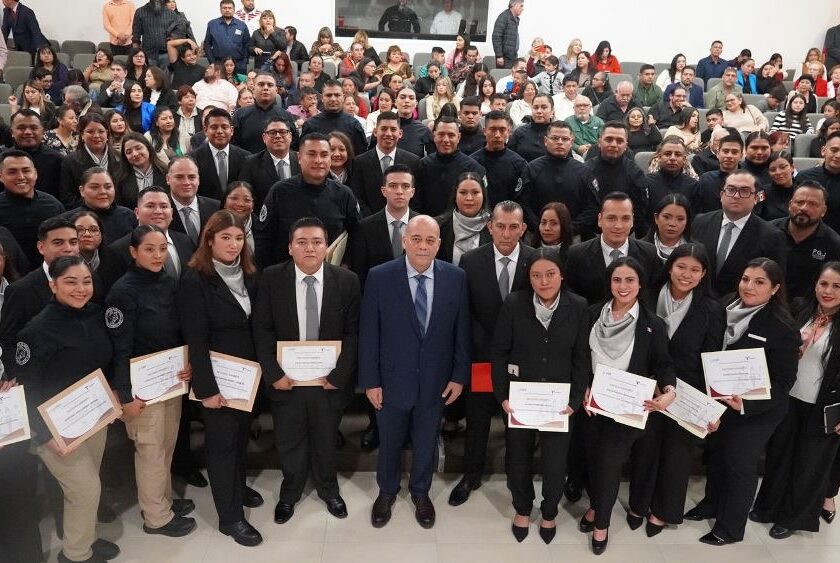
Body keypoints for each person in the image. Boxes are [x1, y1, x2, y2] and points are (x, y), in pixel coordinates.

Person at [360, 214, 469, 529]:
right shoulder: (379, 277)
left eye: (430, 240)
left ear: (439, 243)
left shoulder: (456, 278)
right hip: (391, 379)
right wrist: (370, 381)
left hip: (436, 381)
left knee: (426, 441)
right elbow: (369, 332)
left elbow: (461, 332)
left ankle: (421, 492)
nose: (423, 246)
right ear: (404, 241)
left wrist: (459, 376)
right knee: (390, 441)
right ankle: (387, 491)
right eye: (416, 239)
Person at [684, 258, 800, 545]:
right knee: (716, 454)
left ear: (775, 289)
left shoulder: (782, 327)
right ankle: (711, 504)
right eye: (746, 279)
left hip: (759, 410)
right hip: (722, 401)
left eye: (759, 282)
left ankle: (730, 528)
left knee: (739, 463)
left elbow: (784, 381)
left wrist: (748, 404)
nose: (749, 286)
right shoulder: (724, 305)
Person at [253, 215, 360, 524]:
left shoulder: (347, 281)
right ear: (290, 247)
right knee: (290, 440)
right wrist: (274, 374)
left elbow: (354, 333)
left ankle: (329, 489)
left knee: (326, 438)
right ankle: (290, 492)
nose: (310, 248)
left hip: (329, 381)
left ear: (327, 247)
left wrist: (339, 375)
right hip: (286, 381)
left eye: (316, 242)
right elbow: (262, 329)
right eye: (302, 242)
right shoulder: (272, 278)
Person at [12, 255, 119, 563]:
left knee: (88, 487)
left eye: (86, 281)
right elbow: (26, 390)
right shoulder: (35, 331)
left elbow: (105, 363)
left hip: (92, 417)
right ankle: (75, 555)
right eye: (70, 282)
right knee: (85, 490)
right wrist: (44, 436)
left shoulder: (96, 314)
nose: (80, 289)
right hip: (53, 429)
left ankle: (86, 540)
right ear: (53, 285)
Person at [579, 255, 676, 555]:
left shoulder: (653, 324)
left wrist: (669, 390)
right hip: (593, 405)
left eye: (630, 280)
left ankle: (601, 524)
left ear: (640, 284)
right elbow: (579, 356)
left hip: (628, 408)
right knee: (593, 460)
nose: (623, 286)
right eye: (617, 279)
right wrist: (583, 387)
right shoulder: (591, 314)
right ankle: (596, 505)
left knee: (609, 463)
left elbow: (663, 363)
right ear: (609, 283)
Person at [176, 210, 262, 546]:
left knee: (239, 440)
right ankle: (230, 518)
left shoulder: (250, 273)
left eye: (239, 238)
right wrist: (206, 390)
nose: (233, 244)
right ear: (209, 240)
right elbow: (195, 339)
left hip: (247, 377)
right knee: (222, 447)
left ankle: (237, 490)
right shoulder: (195, 279)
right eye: (225, 237)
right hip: (217, 379)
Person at [106, 224, 197, 538]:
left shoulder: (168, 281)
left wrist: (187, 360)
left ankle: (163, 500)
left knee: (166, 447)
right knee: (150, 452)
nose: (158, 255)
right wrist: (125, 396)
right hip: (141, 390)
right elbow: (119, 348)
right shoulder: (122, 291)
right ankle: (156, 518)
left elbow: (176, 330)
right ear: (133, 252)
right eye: (149, 249)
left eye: (162, 249)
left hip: (169, 382)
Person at [448, 201, 535, 508]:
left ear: (523, 229)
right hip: (482, 357)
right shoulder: (470, 261)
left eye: (513, 227)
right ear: (490, 227)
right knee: (477, 421)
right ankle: (470, 475)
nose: (506, 233)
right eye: (500, 226)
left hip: (521, 359)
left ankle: (517, 479)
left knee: (516, 424)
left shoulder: (536, 259)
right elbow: (463, 313)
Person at [751, 262, 840, 539]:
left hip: (823, 407)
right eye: (823, 284)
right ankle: (767, 506)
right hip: (788, 398)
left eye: (837, 286)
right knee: (779, 455)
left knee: (809, 465)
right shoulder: (801, 309)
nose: (828, 291)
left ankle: (793, 518)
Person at [254, 132, 359, 267]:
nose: (318, 160)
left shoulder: (344, 194)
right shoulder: (279, 192)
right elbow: (263, 239)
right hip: (286, 272)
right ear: (299, 157)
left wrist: (345, 265)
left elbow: (357, 235)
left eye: (324, 155)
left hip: (331, 273)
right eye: (312, 154)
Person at [691, 170, 788, 297]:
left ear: (755, 198)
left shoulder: (772, 236)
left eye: (744, 191)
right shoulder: (700, 222)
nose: (736, 196)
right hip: (698, 299)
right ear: (722, 195)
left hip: (741, 303)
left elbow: (774, 282)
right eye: (731, 190)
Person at [564, 192, 659, 303]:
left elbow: (652, 294)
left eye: (625, 218)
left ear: (632, 221)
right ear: (600, 219)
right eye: (611, 218)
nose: (618, 226)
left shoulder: (649, 253)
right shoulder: (577, 255)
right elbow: (571, 297)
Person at [517, 120, 598, 237]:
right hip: (538, 236)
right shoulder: (532, 168)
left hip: (574, 237)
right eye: (555, 138)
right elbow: (522, 203)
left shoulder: (583, 171)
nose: (560, 142)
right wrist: (541, 227)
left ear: (571, 142)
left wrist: (570, 229)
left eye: (565, 139)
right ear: (546, 141)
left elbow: (592, 207)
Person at [770, 182, 840, 303]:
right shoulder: (767, 232)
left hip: (808, 310)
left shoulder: (834, 244)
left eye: (813, 204)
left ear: (823, 211)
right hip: (764, 304)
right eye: (799, 202)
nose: (804, 208)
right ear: (790, 205)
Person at [0, 149, 65, 269]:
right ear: (1, 176)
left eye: (26, 171)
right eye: (12, 172)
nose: (20, 177)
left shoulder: (53, 205)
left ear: (35, 173)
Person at [585, 122, 650, 234]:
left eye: (619, 141)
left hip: (624, 233)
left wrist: (623, 231)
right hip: (590, 233)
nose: (614, 144)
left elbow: (640, 209)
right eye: (609, 140)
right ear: (599, 142)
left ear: (626, 146)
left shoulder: (635, 173)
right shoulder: (585, 170)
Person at [349, 111, 419, 216]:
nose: (388, 134)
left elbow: (416, 197)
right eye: (384, 129)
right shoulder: (359, 162)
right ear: (375, 131)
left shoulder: (413, 162)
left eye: (393, 129)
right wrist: (372, 220)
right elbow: (357, 197)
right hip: (369, 222)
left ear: (400, 133)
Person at [62, 166, 137, 245]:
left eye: (108, 187)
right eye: (94, 187)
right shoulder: (66, 220)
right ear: (82, 191)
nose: (102, 192)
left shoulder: (128, 215)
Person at [238, 117, 299, 211]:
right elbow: (246, 196)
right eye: (272, 133)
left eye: (283, 132)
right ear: (264, 137)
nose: (278, 136)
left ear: (290, 136)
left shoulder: (302, 159)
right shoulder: (251, 163)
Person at [468, 111, 525, 208]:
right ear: (484, 131)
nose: (497, 135)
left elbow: (522, 199)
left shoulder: (519, 164)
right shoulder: (472, 163)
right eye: (493, 129)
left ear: (509, 132)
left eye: (502, 130)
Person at [189, 108, 248, 201]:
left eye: (224, 127)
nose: (220, 131)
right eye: (214, 127)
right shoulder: (192, 159)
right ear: (205, 130)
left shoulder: (246, 158)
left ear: (232, 130)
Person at [8, 108, 64, 200]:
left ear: (43, 131)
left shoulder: (58, 160)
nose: (28, 132)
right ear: (12, 132)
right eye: (21, 128)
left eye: (34, 128)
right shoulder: (3, 160)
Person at [694, 132, 745, 213]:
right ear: (718, 154)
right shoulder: (705, 180)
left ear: (741, 156)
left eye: (734, 152)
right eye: (725, 151)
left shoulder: (749, 181)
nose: (729, 156)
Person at [114, 131, 166, 209]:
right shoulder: (119, 179)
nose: (135, 154)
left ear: (148, 147)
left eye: (138, 148)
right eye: (129, 152)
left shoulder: (165, 172)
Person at [646, 137, 699, 212]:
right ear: (659, 157)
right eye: (668, 154)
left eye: (677, 155)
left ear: (684, 159)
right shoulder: (647, 183)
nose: (672, 158)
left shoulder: (693, 185)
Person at [203, 0, 251, 75]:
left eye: (230, 8)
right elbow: (207, 44)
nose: (227, 10)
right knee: (218, 83)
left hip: (238, 65)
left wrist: (244, 62)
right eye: (224, 8)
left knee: (239, 83)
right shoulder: (212, 24)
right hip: (218, 64)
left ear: (234, 10)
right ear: (220, 9)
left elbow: (247, 45)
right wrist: (212, 62)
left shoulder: (242, 25)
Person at [643, 194, 693, 263]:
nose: (672, 224)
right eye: (666, 217)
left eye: (680, 219)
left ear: (687, 222)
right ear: (656, 218)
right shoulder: (639, 249)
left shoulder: (695, 251)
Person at [508, 93, 553, 162]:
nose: (539, 111)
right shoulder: (520, 132)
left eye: (544, 107)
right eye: (535, 107)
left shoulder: (558, 133)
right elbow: (509, 157)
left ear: (552, 111)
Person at [759, 150, 796, 221]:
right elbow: (755, 217)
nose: (778, 172)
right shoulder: (761, 192)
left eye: (783, 167)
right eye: (773, 170)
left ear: (792, 167)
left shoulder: (802, 191)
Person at [491, 0, 523, 69]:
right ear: (514, 5)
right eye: (521, 6)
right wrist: (499, 56)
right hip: (504, 58)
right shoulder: (503, 17)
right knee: (505, 74)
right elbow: (496, 37)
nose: (522, 9)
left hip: (512, 56)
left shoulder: (515, 19)